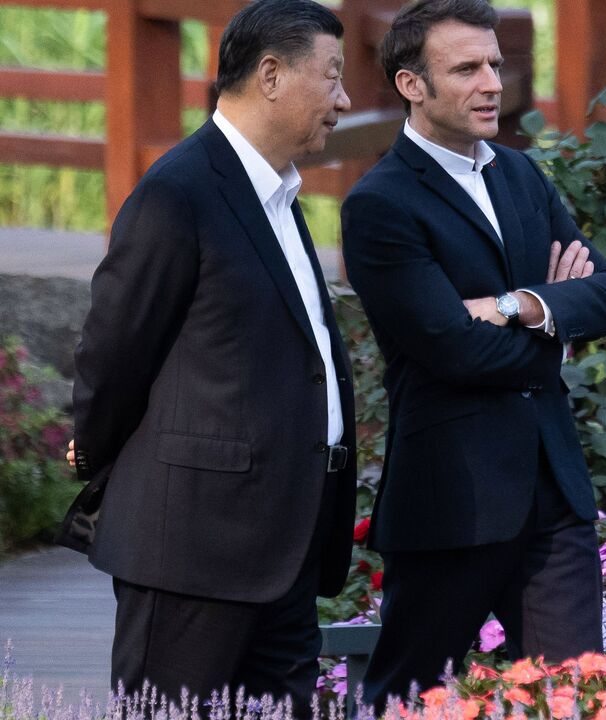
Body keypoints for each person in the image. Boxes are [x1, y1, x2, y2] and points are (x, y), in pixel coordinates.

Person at [59, 0, 357, 708]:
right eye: (334, 77)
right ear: (273, 75)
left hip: (284, 548)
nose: (345, 100)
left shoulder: (280, 197)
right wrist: (99, 457)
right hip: (191, 548)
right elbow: (112, 356)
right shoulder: (177, 194)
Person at [339, 0, 606, 707]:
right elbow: (449, 350)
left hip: (553, 495)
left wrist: (518, 306)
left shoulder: (520, 176)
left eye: (495, 64)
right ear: (413, 84)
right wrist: (556, 338)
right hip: (451, 500)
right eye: (466, 68)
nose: (491, 83)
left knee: (575, 699)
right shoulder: (380, 204)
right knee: (404, 697)